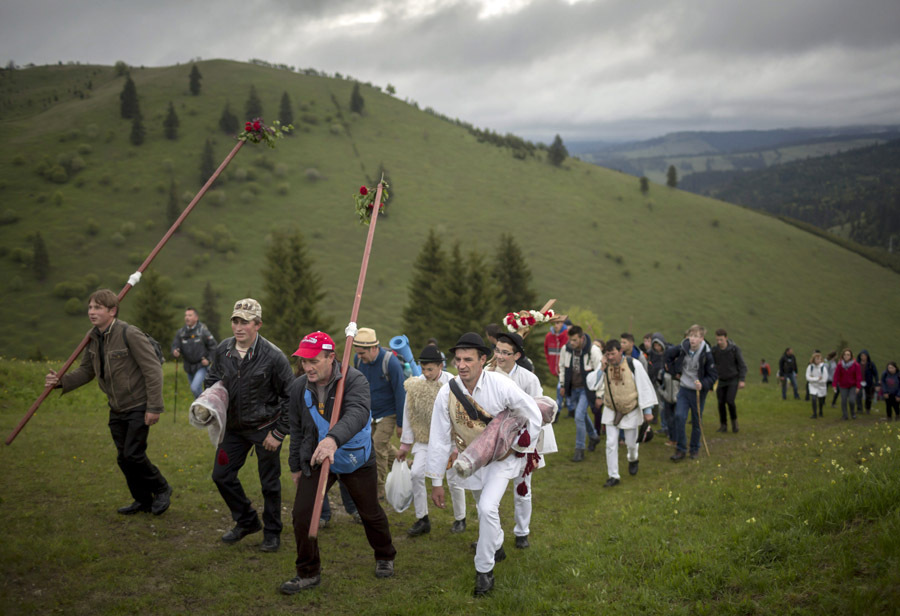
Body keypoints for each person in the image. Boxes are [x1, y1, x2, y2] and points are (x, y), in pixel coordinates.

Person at [426, 332, 542, 598]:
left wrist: (521, 447)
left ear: (483, 360)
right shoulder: (448, 391)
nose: (462, 365)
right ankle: (497, 543)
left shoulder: (501, 385)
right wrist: (435, 482)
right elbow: (439, 438)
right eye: (458, 359)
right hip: (470, 461)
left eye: (469, 359)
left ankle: (484, 570)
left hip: (501, 460)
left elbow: (532, 412)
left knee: (488, 507)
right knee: (482, 508)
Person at [281, 331, 396, 593]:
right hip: (316, 456)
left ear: (331, 357)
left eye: (313, 361)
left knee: (369, 512)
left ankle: (385, 556)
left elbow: (357, 413)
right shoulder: (299, 386)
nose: (307, 367)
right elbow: (297, 429)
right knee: (302, 515)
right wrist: (295, 467)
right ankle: (308, 572)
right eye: (304, 361)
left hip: (355, 455)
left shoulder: (355, 380)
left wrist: (333, 439)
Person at [45, 289, 172, 516]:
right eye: (90, 307)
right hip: (116, 406)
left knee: (133, 454)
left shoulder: (129, 333)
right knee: (123, 458)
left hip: (138, 404)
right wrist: (60, 382)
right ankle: (142, 500)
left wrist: (154, 407)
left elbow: (152, 370)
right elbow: (86, 371)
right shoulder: (93, 337)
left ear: (112, 311)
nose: (91, 312)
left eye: (97, 308)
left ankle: (162, 488)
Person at [205, 298, 294, 553]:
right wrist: (210, 400)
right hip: (232, 429)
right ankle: (247, 521)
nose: (239, 327)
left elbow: (291, 397)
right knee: (221, 475)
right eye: (235, 320)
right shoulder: (223, 350)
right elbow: (212, 379)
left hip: (265, 428)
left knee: (269, 483)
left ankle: (273, 532)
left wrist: (278, 433)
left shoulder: (274, 357)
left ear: (258, 325)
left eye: (245, 322)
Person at [491, 331, 557, 549]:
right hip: (495, 442)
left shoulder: (529, 379)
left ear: (517, 355)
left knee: (522, 488)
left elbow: (539, 415)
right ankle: (493, 535)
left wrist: (531, 451)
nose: (499, 356)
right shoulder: (488, 374)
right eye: (497, 351)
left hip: (523, 443)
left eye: (505, 353)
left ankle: (522, 532)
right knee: (491, 492)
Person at [396, 344, 464, 536]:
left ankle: (460, 518)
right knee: (416, 474)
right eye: (423, 369)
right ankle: (422, 518)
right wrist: (405, 444)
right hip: (425, 439)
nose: (426, 373)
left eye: (430, 369)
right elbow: (409, 415)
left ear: (440, 366)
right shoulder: (415, 385)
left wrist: (457, 444)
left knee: (453, 479)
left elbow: (460, 415)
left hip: (450, 440)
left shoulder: (453, 383)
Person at [587, 339, 656, 487]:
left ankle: (633, 458)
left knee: (631, 444)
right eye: (608, 354)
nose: (610, 357)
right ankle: (613, 476)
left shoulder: (633, 364)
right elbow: (592, 384)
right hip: (611, 409)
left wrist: (647, 411)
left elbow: (644, 386)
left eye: (613, 354)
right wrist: (601, 369)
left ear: (620, 351)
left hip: (630, 409)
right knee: (611, 443)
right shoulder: (604, 366)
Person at [352, 327, 406, 500]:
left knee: (377, 447)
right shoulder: (358, 360)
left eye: (362, 353)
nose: (359, 357)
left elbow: (400, 392)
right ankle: (404, 463)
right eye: (357, 353)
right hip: (369, 412)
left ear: (374, 348)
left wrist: (401, 423)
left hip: (389, 413)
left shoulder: (390, 362)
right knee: (379, 445)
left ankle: (378, 489)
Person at [666, 325, 717, 461]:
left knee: (696, 421)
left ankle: (694, 449)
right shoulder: (682, 347)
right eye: (691, 336)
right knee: (679, 416)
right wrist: (674, 372)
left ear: (701, 338)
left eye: (696, 336)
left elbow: (713, 376)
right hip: (684, 388)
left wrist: (703, 384)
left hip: (698, 392)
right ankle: (681, 449)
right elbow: (668, 355)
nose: (692, 339)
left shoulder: (707, 353)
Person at [557, 325, 603, 462]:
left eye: (575, 340)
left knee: (578, 416)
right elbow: (562, 367)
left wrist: (599, 394)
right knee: (581, 414)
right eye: (570, 340)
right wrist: (563, 384)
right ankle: (594, 436)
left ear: (582, 338)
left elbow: (601, 373)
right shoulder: (566, 349)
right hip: (573, 388)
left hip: (587, 389)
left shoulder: (593, 351)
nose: (572, 343)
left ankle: (579, 449)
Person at [170, 306, 217, 399]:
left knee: (195, 388)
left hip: (201, 365)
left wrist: (209, 360)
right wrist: (175, 351)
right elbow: (175, 345)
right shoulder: (181, 332)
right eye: (186, 315)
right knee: (195, 390)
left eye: (190, 315)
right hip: (188, 366)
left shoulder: (203, 331)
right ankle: (202, 410)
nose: (187, 317)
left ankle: (204, 404)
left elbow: (214, 346)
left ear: (196, 317)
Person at [710, 329, 747, 433]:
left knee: (730, 401)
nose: (719, 342)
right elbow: (711, 365)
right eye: (717, 340)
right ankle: (723, 425)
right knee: (721, 402)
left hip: (733, 379)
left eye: (721, 340)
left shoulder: (734, 350)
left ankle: (735, 423)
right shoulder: (714, 351)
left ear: (726, 338)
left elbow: (742, 365)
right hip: (720, 380)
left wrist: (742, 380)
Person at [543, 315, 569, 420]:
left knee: (560, 388)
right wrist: (551, 364)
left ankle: (557, 411)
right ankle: (570, 407)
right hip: (555, 368)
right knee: (563, 387)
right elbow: (547, 351)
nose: (556, 325)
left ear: (563, 323)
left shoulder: (566, 335)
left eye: (558, 323)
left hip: (565, 368)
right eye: (554, 323)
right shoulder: (549, 336)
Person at [833, 348, 862, 420]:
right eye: (845, 355)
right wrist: (834, 384)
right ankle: (845, 415)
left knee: (852, 400)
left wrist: (858, 386)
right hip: (843, 385)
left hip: (853, 385)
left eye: (848, 355)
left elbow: (858, 376)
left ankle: (852, 413)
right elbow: (836, 375)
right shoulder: (840, 365)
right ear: (842, 356)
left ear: (851, 356)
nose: (846, 356)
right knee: (844, 400)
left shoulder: (856, 365)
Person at [806, 352, 828, 419]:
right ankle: (814, 413)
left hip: (821, 386)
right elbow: (808, 377)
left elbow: (825, 379)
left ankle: (820, 411)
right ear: (813, 360)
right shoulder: (810, 367)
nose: (817, 360)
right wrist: (817, 379)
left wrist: (813, 379)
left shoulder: (823, 368)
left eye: (819, 359)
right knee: (813, 398)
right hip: (813, 386)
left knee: (821, 399)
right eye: (816, 359)